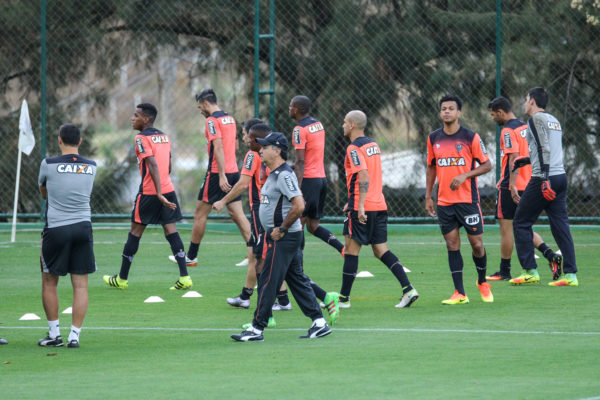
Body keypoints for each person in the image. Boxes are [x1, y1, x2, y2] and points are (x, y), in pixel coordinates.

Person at [231, 132, 333, 342]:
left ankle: (257, 329)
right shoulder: (275, 173)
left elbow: (299, 205)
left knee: (268, 279)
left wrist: (283, 228)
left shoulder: (284, 175)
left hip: (283, 237)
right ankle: (319, 323)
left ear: (277, 150)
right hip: (284, 236)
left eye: (265, 147)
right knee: (296, 280)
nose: (261, 150)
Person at [103, 103, 192, 290]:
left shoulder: (140, 138)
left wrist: (158, 192)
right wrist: (164, 188)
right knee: (171, 231)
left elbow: (151, 163)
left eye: (136, 115)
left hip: (151, 192)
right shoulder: (164, 137)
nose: (132, 118)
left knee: (135, 232)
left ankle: (122, 279)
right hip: (168, 189)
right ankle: (185, 278)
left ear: (146, 119)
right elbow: (168, 165)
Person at [338, 110, 418, 309]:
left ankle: (343, 300)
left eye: (344, 122)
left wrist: (360, 205)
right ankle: (408, 289)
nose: (342, 126)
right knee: (381, 250)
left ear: (352, 125)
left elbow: (363, 174)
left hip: (363, 206)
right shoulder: (373, 144)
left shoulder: (353, 148)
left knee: (351, 251)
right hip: (379, 204)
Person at [425, 94, 493, 304]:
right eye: (443, 108)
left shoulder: (470, 137)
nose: (447, 111)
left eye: (451, 108)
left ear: (459, 113)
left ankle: (482, 281)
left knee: (477, 244)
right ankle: (459, 293)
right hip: (444, 202)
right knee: (451, 244)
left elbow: (487, 165)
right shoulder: (433, 138)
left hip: (467, 201)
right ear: (440, 113)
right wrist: (428, 195)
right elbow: (431, 167)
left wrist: (465, 175)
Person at [510, 87, 579, 286]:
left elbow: (544, 147)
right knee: (560, 226)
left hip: (544, 178)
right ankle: (571, 275)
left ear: (532, 101)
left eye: (525, 99)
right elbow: (550, 149)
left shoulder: (535, 120)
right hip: (561, 177)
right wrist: (525, 160)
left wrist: (545, 177)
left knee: (521, 221)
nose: (524, 103)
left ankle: (530, 270)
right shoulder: (554, 120)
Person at [487, 96, 560, 281]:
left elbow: (514, 158)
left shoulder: (507, 131)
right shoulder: (524, 126)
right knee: (523, 226)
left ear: (501, 112)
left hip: (512, 184)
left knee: (507, 228)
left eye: (493, 115)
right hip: (529, 182)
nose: (493, 118)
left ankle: (505, 270)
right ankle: (551, 255)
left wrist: (510, 185)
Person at [37, 124, 97, 348]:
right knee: (80, 285)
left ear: (59, 140)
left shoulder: (48, 164)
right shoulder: (92, 166)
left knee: (49, 282)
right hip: (83, 227)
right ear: (80, 141)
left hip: (56, 229)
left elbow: (44, 191)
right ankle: (74, 336)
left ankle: (54, 335)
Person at [180, 89, 251, 267]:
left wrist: (220, 175)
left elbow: (218, 148)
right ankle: (254, 253)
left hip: (217, 173)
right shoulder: (229, 118)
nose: (201, 111)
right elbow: (234, 147)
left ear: (206, 104)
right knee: (237, 213)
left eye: (200, 108)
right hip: (234, 170)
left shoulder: (212, 120)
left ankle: (191, 257)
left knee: (199, 213)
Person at [288, 95, 344, 309]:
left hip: (309, 181)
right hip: (321, 179)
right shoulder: (317, 125)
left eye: (291, 107)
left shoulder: (298, 130)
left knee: (297, 223)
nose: (289, 109)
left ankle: (297, 270)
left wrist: (297, 189)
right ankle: (341, 248)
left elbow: (302, 160)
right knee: (313, 226)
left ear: (296, 109)